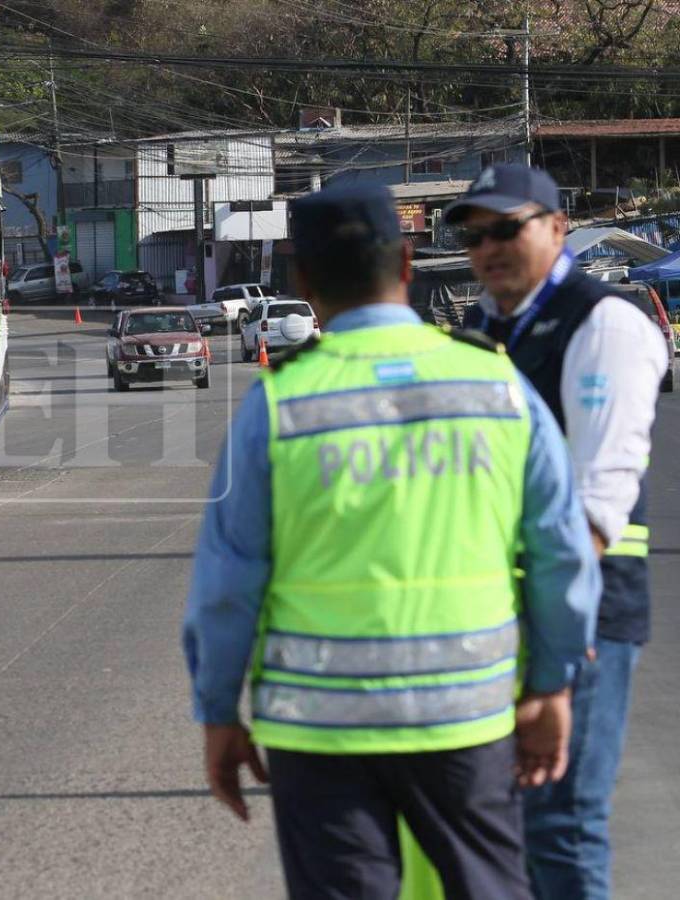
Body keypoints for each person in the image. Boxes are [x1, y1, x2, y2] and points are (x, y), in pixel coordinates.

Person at [182, 182, 600, 900]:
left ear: (303, 282)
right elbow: (562, 551)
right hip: (466, 717)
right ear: (408, 263)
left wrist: (219, 711)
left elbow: (228, 584)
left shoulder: (278, 406)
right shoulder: (498, 387)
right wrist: (552, 683)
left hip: (319, 732)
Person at [449, 163, 668, 898]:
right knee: (498, 830)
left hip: (585, 613)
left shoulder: (604, 322)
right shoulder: (481, 327)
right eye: (476, 235)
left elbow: (597, 503)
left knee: (563, 825)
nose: (489, 248)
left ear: (557, 226)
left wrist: (554, 660)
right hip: (494, 615)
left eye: (507, 228)